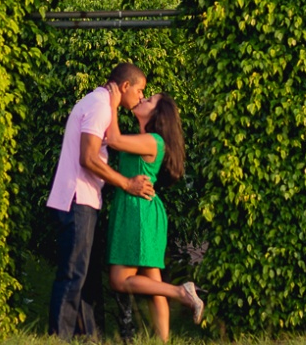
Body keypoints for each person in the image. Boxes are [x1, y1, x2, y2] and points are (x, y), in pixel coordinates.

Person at [47, 63, 155, 340]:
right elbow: (89, 157)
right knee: (73, 274)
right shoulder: (99, 105)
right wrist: (127, 183)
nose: (142, 97)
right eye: (140, 90)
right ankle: (59, 337)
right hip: (77, 199)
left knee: (84, 275)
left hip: (84, 199)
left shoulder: (104, 103)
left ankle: (87, 336)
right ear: (125, 86)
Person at [104, 86, 204, 341]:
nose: (142, 99)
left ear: (157, 115)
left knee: (119, 279)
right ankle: (163, 340)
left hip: (139, 211)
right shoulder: (145, 139)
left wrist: (113, 102)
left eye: (149, 99)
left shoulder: (153, 140)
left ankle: (181, 292)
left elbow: (113, 139)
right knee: (152, 281)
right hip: (143, 210)